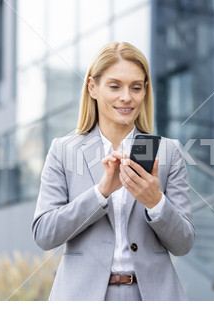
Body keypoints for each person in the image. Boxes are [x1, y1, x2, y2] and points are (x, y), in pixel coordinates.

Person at [32, 42, 195, 301]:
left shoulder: (167, 152)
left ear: (145, 92)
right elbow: (44, 234)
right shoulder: (64, 151)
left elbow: (184, 243)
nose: (126, 97)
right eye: (115, 86)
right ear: (93, 88)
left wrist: (156, 202)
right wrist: (100, 193)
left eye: (136, 87)